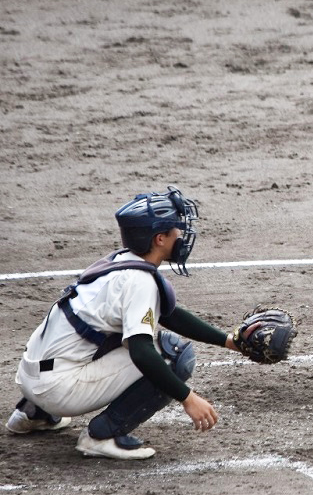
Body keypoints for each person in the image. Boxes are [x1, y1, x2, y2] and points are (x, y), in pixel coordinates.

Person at [6, 186, 242, 460]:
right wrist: (188, 398)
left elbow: (169, 314)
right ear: (160, 239)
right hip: (57, 387)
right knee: (173, 355)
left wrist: (228, 341)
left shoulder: (120, 261)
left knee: (107, 336)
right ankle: (102, 435)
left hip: (32, 377)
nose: (182, 236)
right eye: (177, 230)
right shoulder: (138, 282)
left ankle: (34, 413)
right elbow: (142, 352)